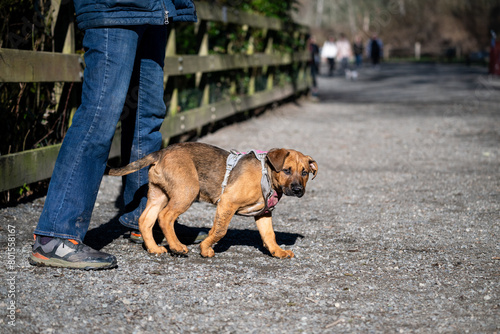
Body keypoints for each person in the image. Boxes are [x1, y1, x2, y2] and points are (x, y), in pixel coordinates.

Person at [29, 0, 198, 270]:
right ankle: (55, 235)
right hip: (114, 6)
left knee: (147, 115)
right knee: (100, 114)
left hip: (155, 9)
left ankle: (144, 218)